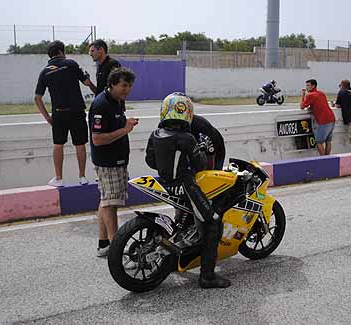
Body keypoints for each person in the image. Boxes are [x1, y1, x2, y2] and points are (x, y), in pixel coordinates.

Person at [145, 92, 231, 289]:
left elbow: (150, 161)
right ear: (188, 113)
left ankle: (178, 256)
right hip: (186, 185)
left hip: (165, 184)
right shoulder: (188, 137)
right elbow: (200, 164)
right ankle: (207, 276)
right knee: (212, 223)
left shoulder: (155, 134)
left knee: (183, 218)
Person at [88, 67, 139, 257]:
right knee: (111, 203)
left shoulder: (117, 101)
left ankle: (103, 244)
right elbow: (97, 139)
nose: (128, 90)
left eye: (130, 86)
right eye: (124, 85)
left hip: (117, 160)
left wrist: (126, 124)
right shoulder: (101, 105)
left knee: (106, 199)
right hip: (107, 161)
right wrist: (125, 129)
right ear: (112, 84)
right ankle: (116, 247)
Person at [34, 40, 97, 187]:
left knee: (58, 144)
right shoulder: (71, 64)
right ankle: (82, 177)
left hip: (59, 114)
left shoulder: (45, 72)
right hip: (77, 111)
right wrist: (98, 92)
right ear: (62, 52)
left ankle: (59, 178)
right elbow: (87, 82)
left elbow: (37, 98)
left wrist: (47, 117)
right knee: (80, 144)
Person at [300, 79, 336, 155]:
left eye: (308, 85)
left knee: (319, 142)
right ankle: (327, 159)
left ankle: (323, 160)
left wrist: (303, 95)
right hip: (331, 118)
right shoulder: (321, 93)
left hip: (323, 120)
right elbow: (319, 104)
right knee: (328, 141)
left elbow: (302, 106)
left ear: (313, 86)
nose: (306, 87)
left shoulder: (310, 95)